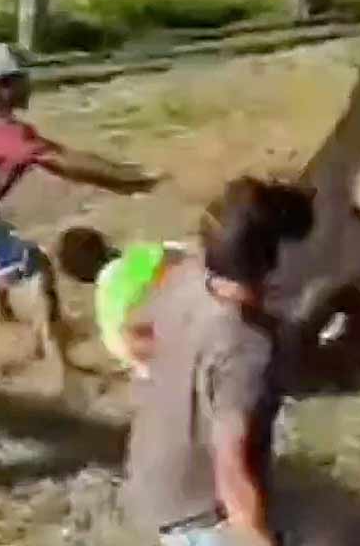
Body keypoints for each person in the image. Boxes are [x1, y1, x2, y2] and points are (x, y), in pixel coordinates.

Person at [121, 176, 314, 546]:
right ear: (273, 261)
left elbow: (135, 334)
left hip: (151, 473)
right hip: (197, 509)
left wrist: (177, 375)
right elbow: (232, 473)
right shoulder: (245, 345)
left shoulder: (184, 276)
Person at [0, 43, 164, 371]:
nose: (29, 85)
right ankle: (59, 367)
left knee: (0, 235)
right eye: (21, 79)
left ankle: (7, 321)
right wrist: (134, 182)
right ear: (0, 86)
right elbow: (62, 160)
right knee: (37, 267)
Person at [55, 226, 189, 379]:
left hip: (168, 368)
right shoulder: (136, 261)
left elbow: (124, 352)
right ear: (104, 245)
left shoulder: (106, 306)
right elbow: (179, 252)